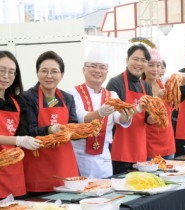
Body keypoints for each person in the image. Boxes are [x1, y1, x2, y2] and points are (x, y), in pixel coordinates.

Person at [67, 46, 134, 178]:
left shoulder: (112, 95)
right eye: (93, 66)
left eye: (102, 67)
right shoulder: (72, 93)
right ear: (83, 69)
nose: (98, 71)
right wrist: (100, 113)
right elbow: (81, 117)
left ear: (107, 71)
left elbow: (119, 118)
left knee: (105, 190)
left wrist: (127, 116)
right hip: (79, 154)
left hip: (104, 155)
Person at [22, 51, 79, 193]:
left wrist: (86, 130)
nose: (49, 76)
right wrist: (50, 130)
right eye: (44, 71)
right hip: (39, 165)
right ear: (37, 73)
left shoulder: (68, 98)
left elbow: (73, 125)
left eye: (54, 71)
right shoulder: (27, 97)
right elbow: (29, 130)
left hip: (64, 164)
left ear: (62, 74)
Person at [106, 44, 153, 175]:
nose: (139, 63)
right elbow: (114, 115)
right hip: (119, 149)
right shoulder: (115, 83)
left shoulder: (146, 87)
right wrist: (137, 108)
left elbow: (147, 119)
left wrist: (154, 118)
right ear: (127, 61)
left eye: (143, 60)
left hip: (139, 148)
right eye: (135, 59)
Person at [0, 51, 41, 199]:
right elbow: (18, 138)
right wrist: (18, 140)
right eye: (1, 70)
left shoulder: (17, 102)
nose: (6, 76)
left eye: (11, 72)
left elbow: (25, 131)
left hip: (13, 170)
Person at [142, 48, 185, 160]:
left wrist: (177, 75)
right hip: (149, 143)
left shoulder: (164, 83)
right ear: (144, 66)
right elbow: (147, 119)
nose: (155, 69)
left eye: (158, 65)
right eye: (151, 65)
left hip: (168, 141)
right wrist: (157, 99)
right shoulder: (139, 87)